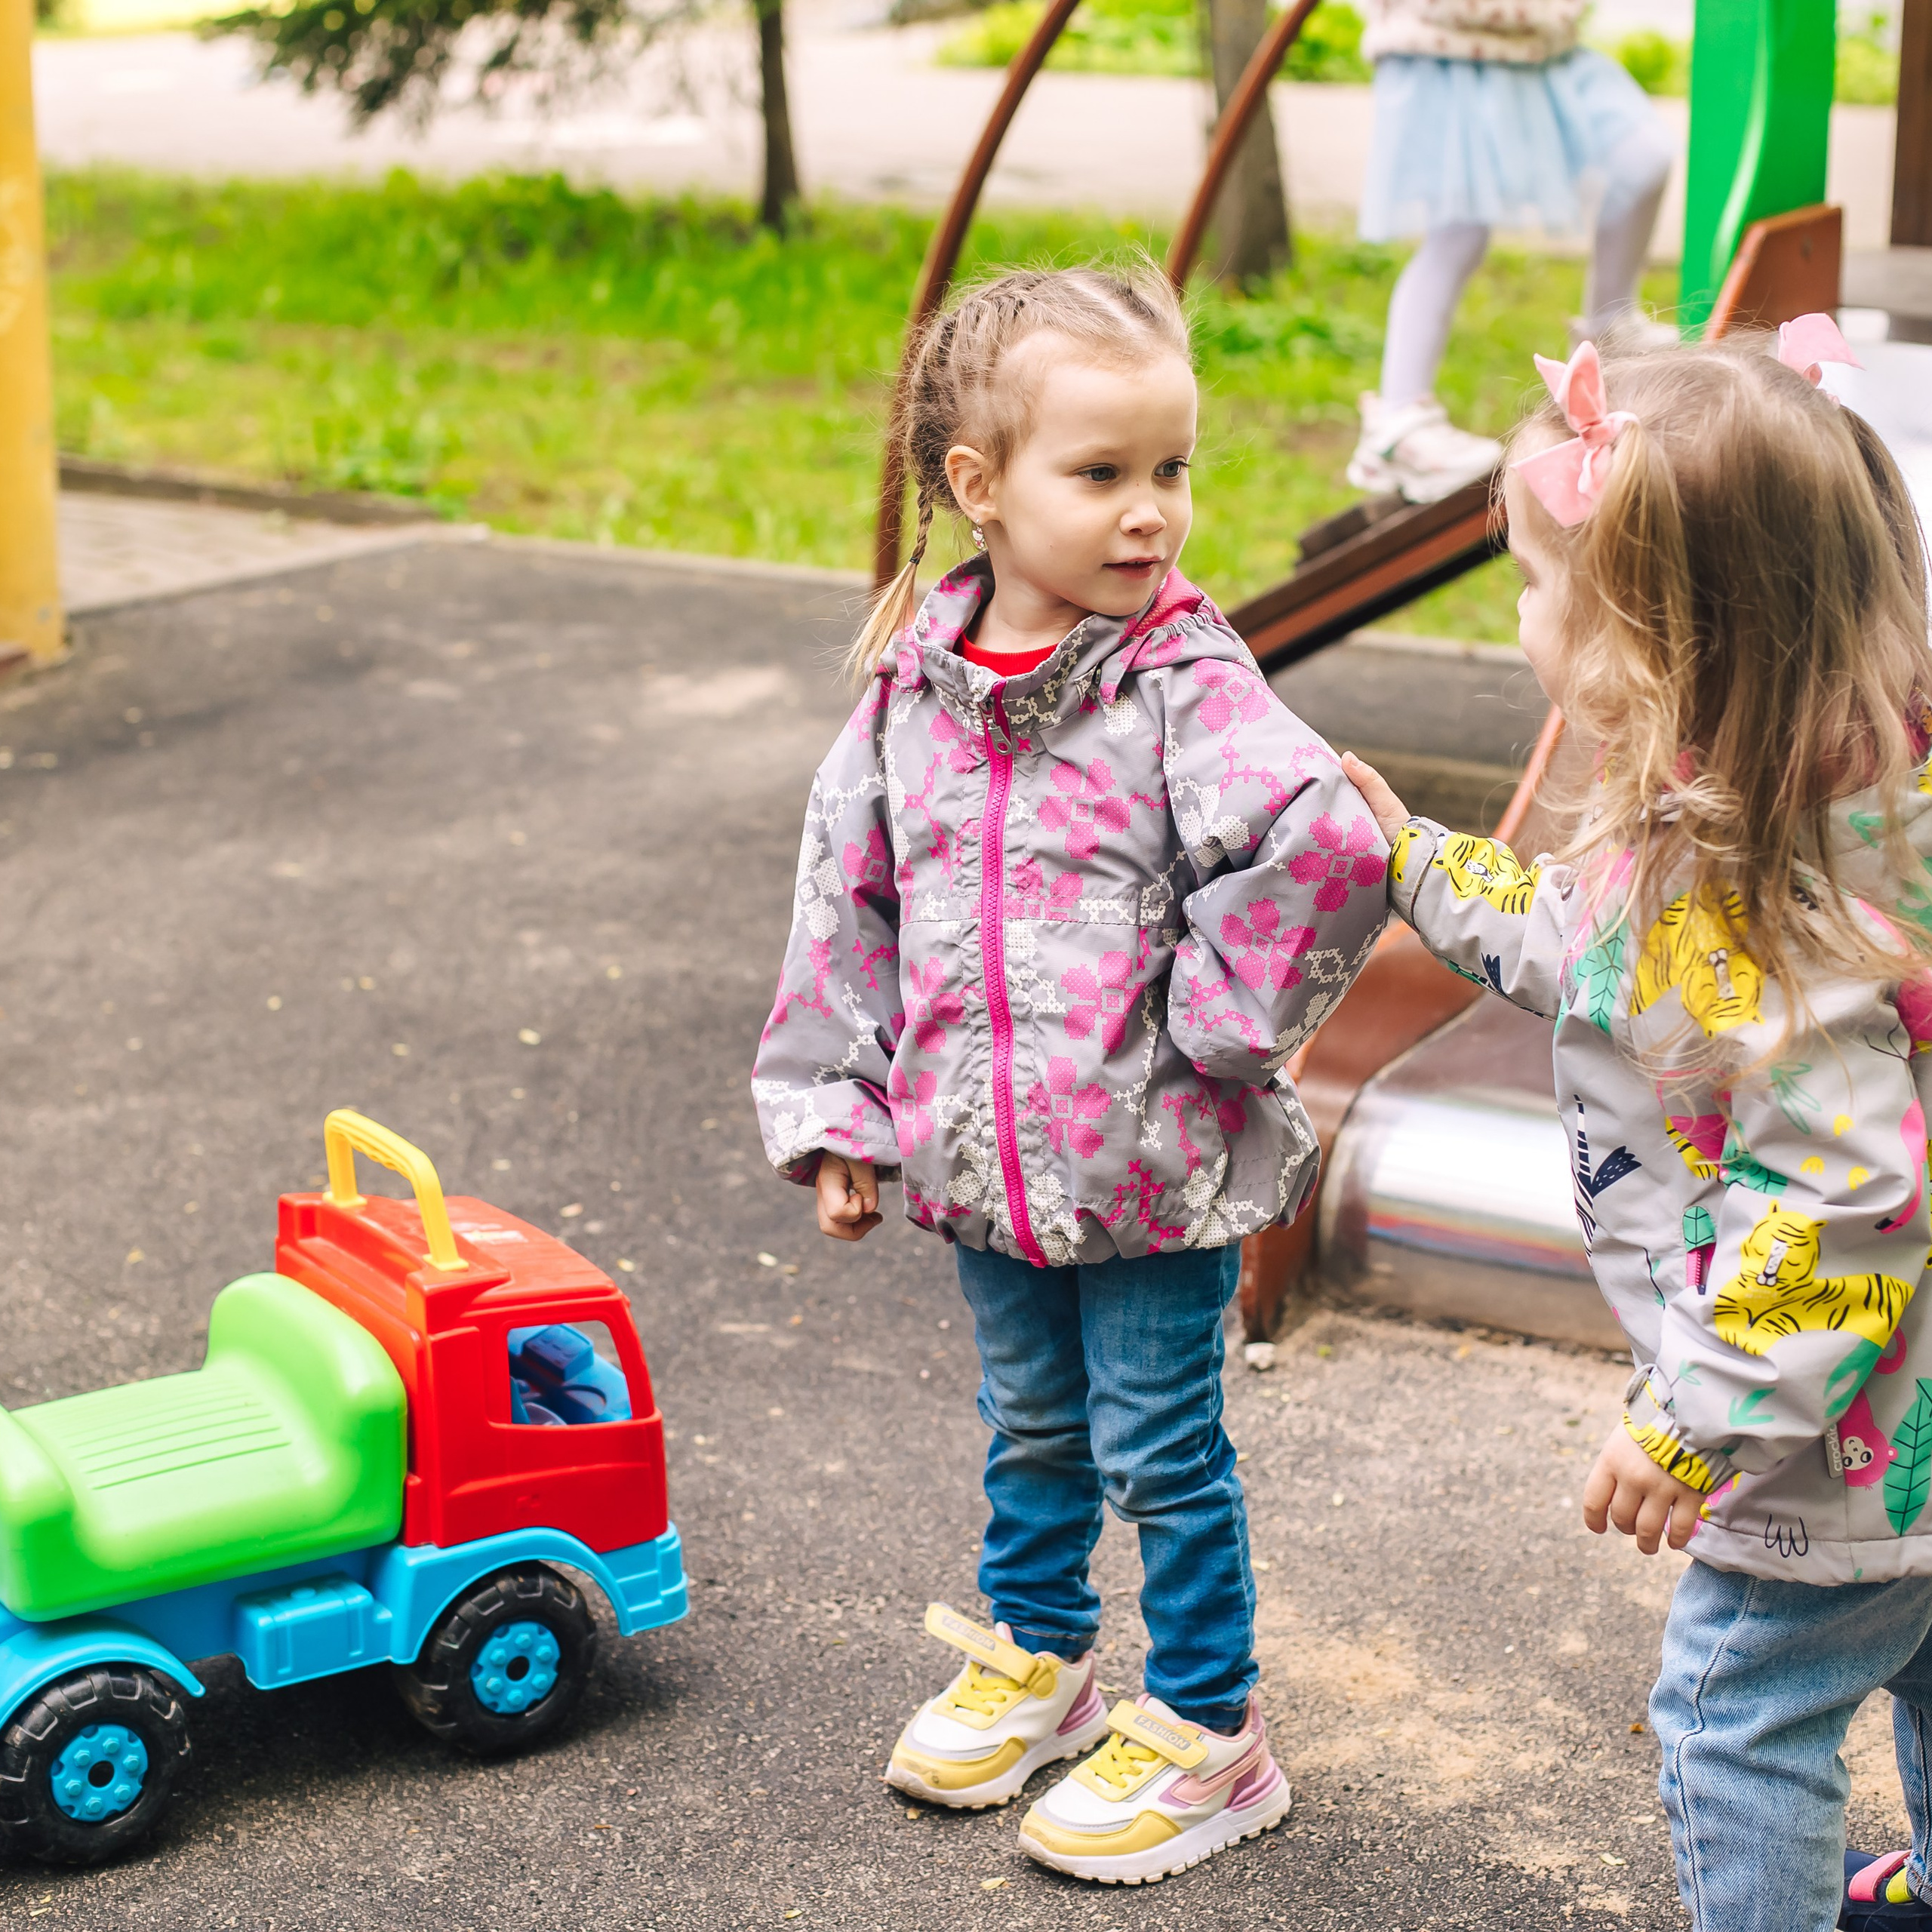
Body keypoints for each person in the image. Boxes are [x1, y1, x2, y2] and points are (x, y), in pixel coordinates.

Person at [750, 263, 1388, 1884]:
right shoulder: (911, 683)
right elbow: (850, 888)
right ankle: (1040, 1656)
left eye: (1169, 471)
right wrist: (841, 1104)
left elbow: (1321, 839)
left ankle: (1207, 1727)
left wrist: (1222, 1035)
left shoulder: (1178, 681)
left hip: (1153, 1167)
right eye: (1099, 475)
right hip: (980, 1162)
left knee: (1158, 1444)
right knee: (1028, 1423)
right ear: (976, 487)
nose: (1149, 515)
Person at [1341, 316, 1932, 1932]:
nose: (1520, 615)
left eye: (1537, 589)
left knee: (1732, 1713)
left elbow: (1836, 1200)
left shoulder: (1779, 915)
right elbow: (1587, 941)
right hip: (1904, 1418)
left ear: (1644, 652)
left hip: (1824, 1438)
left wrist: (1694, 1417)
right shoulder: (1812, 809)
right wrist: (1419, 865)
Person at [1348, 0, 1678, 503]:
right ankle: (1398, 425)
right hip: (1451, 48)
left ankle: (1610, 326)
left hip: (1539, 45)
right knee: (1459, 232)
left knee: (1643, 157)